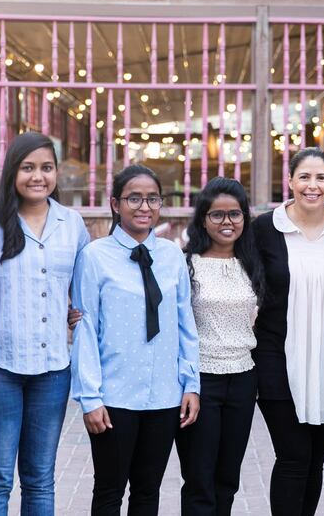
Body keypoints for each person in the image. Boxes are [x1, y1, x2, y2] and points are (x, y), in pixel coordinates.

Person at [0, 132, 90, 515]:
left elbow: (81, 286)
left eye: (46, 168)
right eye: (28, 167)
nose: (38, 176)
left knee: (40, 478)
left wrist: (75, 311)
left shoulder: (72, 224)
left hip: (52, 369)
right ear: (12, 171)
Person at [71, 164, 200, 516]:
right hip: (114, 396)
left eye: (152, 199)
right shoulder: (95, 257)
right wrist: (90, 397)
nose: (144, 207)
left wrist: (191, 384)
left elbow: (184, 321)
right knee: (110, 491)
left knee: (148, 491)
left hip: (164, 395)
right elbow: (85, 327)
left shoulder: (172, 255)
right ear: (115, 204)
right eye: (134, 199)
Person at [252, 147, 324, 516]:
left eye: (320, 178)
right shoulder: (265, 228)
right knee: (294, 457)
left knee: (315, 461)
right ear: (290, 181)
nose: (312, 186)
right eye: (304, 177)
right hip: (278, 362)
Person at [176, 176, 265, 516]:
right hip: (200, 382)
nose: (227, 222)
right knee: (200, 481)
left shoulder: (253, 262)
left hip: (243, 380)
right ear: (202, 218)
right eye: (217, 215)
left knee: (227, 480)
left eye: (235, 214)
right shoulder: (186, 264)